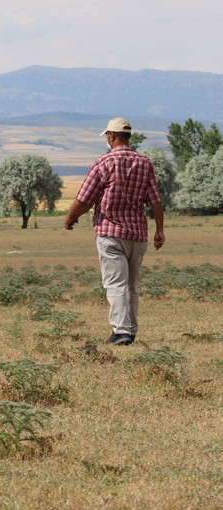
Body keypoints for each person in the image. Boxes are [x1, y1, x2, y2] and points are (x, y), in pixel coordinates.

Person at [64, 117, 165, 346]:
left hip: (110, 232)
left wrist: (70, 218)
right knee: (132, 285)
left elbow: (85, 198)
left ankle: (121, 332)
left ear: (111, 136)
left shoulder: (103, 163)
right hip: (137, 234)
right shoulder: (144, 163)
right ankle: (130, 329)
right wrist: (160, 230)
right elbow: (156, 201)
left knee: (116, 283)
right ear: (128, 137)